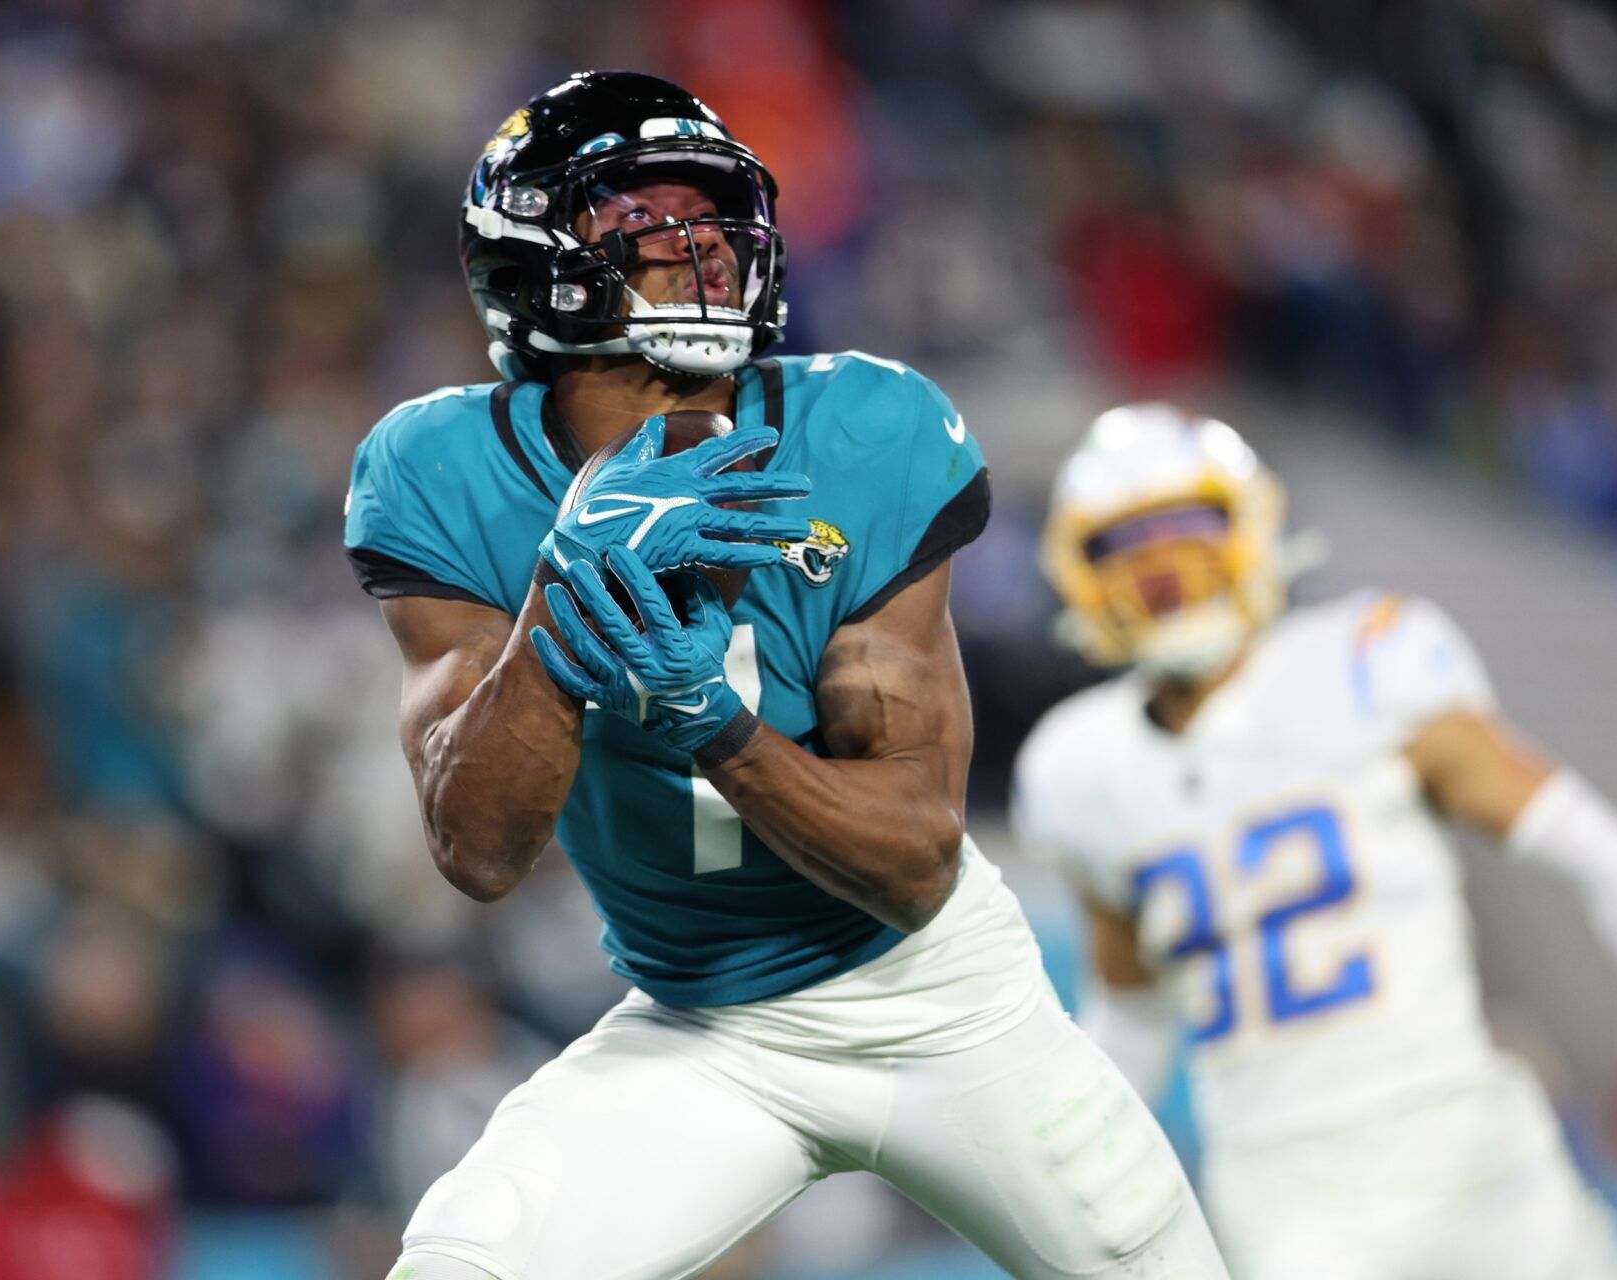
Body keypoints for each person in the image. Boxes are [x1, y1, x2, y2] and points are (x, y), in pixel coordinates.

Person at [344, 72, 1228, 1280]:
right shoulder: (436, 467)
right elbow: (480, 849)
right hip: (699, 1025)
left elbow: (915, 857)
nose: (699, 241)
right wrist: (567, 586)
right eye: (645, 212)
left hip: (940, 999)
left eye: (712, 211)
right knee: (460, 1263)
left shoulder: (861, 430)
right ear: (533, 252)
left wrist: (714, 723)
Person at [1013, 403, 1617, 1280]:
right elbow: (1134, 1010)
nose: (1160, 567)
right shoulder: (1078, 768)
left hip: (1474, 1149)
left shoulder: (1368, 659)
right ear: (1081, 568)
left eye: (1186, 528)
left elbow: (1595, 850)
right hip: (1287, 1194)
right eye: (1124, 543)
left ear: (1247, 525)